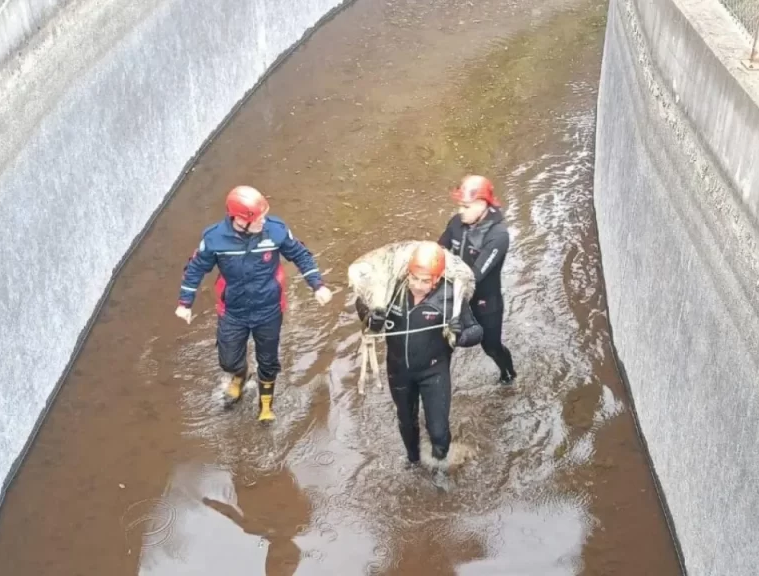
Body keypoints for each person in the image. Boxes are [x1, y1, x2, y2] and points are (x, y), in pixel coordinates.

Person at [175, 185, 333, 423]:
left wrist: (317, 285)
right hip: (233, 311)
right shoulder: (214, 239)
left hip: (268, 309)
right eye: (258, 218)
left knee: (268, 361)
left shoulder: (275, 231)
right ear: (240, 219)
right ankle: (239, 376)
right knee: (228, 360)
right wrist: (185, 302)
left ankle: (265, 404)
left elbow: (300, 254)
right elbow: (196, 267)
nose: (263, 221)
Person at [355, 241, 483, 485]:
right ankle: (412, 462)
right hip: (398, 370)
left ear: (437, 279)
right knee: (406, 420)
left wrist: (461, 335)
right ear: (407, 273)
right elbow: (363, 309)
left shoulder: (450, 296)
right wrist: (373, 319)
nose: (419, 286)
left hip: (433, 371)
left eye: (427, 281)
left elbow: (476, 331)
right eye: (415, 278)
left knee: (438, 429)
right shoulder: (389, 290)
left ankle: (440, 470)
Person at [437, 174, 517, 385]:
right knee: (442, 344)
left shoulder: (498, 235)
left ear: (482, 204)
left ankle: (508, 376)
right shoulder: (456, 222)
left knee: (491, 347)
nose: (460, 211)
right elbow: (439, 251)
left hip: (485, 301)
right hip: (455, 294)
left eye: (466, 206)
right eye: (460, 206)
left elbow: (474, 276)